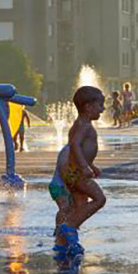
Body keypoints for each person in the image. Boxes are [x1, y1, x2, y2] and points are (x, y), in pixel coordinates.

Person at [57, 86, 106, 256]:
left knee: (79, 207)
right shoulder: (84, 126)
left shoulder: (81, 124)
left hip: (73, 173)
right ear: (88, 107)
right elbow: (75, 145)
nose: (103, 109)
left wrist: (91, 165)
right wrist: (84, 167)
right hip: (78, 174)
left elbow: (79, 149)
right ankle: (68, 227)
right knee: (100, 199)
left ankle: (64, 242)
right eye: (100, 105)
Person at [48, 145, 73, 251]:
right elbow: (63, 169)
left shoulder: (76, 151)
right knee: (64, 208)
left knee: (69, 209)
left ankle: (64, 229)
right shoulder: (68, 150)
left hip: (66, 186)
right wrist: (67, 187)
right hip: (59, 186)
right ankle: (58, 230)